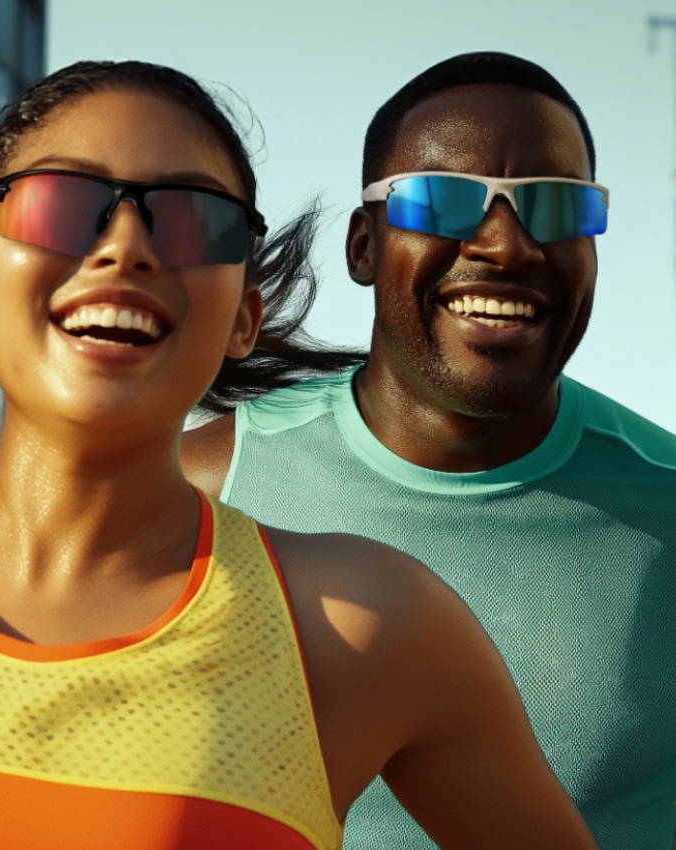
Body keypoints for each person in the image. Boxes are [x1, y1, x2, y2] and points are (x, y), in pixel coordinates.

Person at [0, 60, 599, 850]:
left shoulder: (361, 627)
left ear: (243, 318)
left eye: (191, 219)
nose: (125, 248)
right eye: (63, 205)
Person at [182, 52, 676, 850]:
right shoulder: (199, 495)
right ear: (363, 247)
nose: (506, 245)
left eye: (557, 206)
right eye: (442, 202)